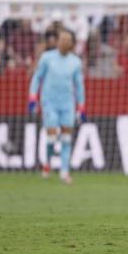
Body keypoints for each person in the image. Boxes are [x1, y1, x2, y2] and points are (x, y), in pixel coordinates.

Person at [28, 30, 85, 184]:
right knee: (52, 137)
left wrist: (81, 106)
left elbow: (79, 86)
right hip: (49, 103)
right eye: (61, 39)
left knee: (66, 138)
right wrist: (33, 96)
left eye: (67, 40)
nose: (63, 42)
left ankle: (64, 172)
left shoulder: (75, 62)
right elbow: (37, 77)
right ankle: (47, 163)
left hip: (67, 105)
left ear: (72, 44)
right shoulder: (47, 58)